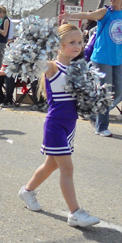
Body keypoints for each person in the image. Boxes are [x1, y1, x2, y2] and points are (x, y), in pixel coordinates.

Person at [17, 24, 99, 227]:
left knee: (51, 165)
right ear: (58, 45)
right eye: (71, 42)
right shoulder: (53, 67)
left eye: (80, 42)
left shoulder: (77, 69)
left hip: (70, 125)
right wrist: (38, 41)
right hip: (55, 125)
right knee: (67, 168)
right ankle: (75, 213)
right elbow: (33, 61)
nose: (77, 46)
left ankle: (27, 191)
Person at [61, 0, 122, 137]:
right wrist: (70, 16)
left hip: (117, 59)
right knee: (105, 93)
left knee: (119, 91)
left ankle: (93, 113)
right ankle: (101, 127)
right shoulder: (105, 12)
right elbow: (88, 15)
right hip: (102, 58)